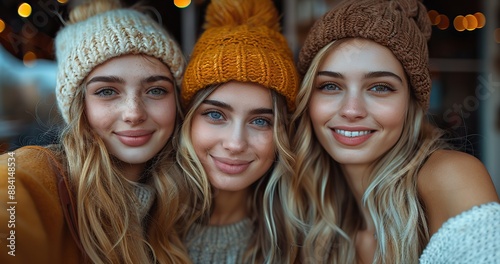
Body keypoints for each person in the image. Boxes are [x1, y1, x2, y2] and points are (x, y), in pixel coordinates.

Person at [291, 0, 500, 263]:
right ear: (308, 98)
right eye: (331, 86)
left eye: (380, 87)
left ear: (411, 103)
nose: (351, 110)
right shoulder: (307, 215)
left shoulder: (450, 176)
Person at [0, 0, 206, 263]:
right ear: (78, 105)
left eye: (156, 90)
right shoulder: (37, 174)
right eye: (107, 91)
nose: (134, 113)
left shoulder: (193, 198)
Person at [177, 0, 300, 263]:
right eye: (215, 115)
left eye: (260, 121)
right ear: (188, 119)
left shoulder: (302, 238)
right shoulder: (141, 224)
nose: (235, 144)